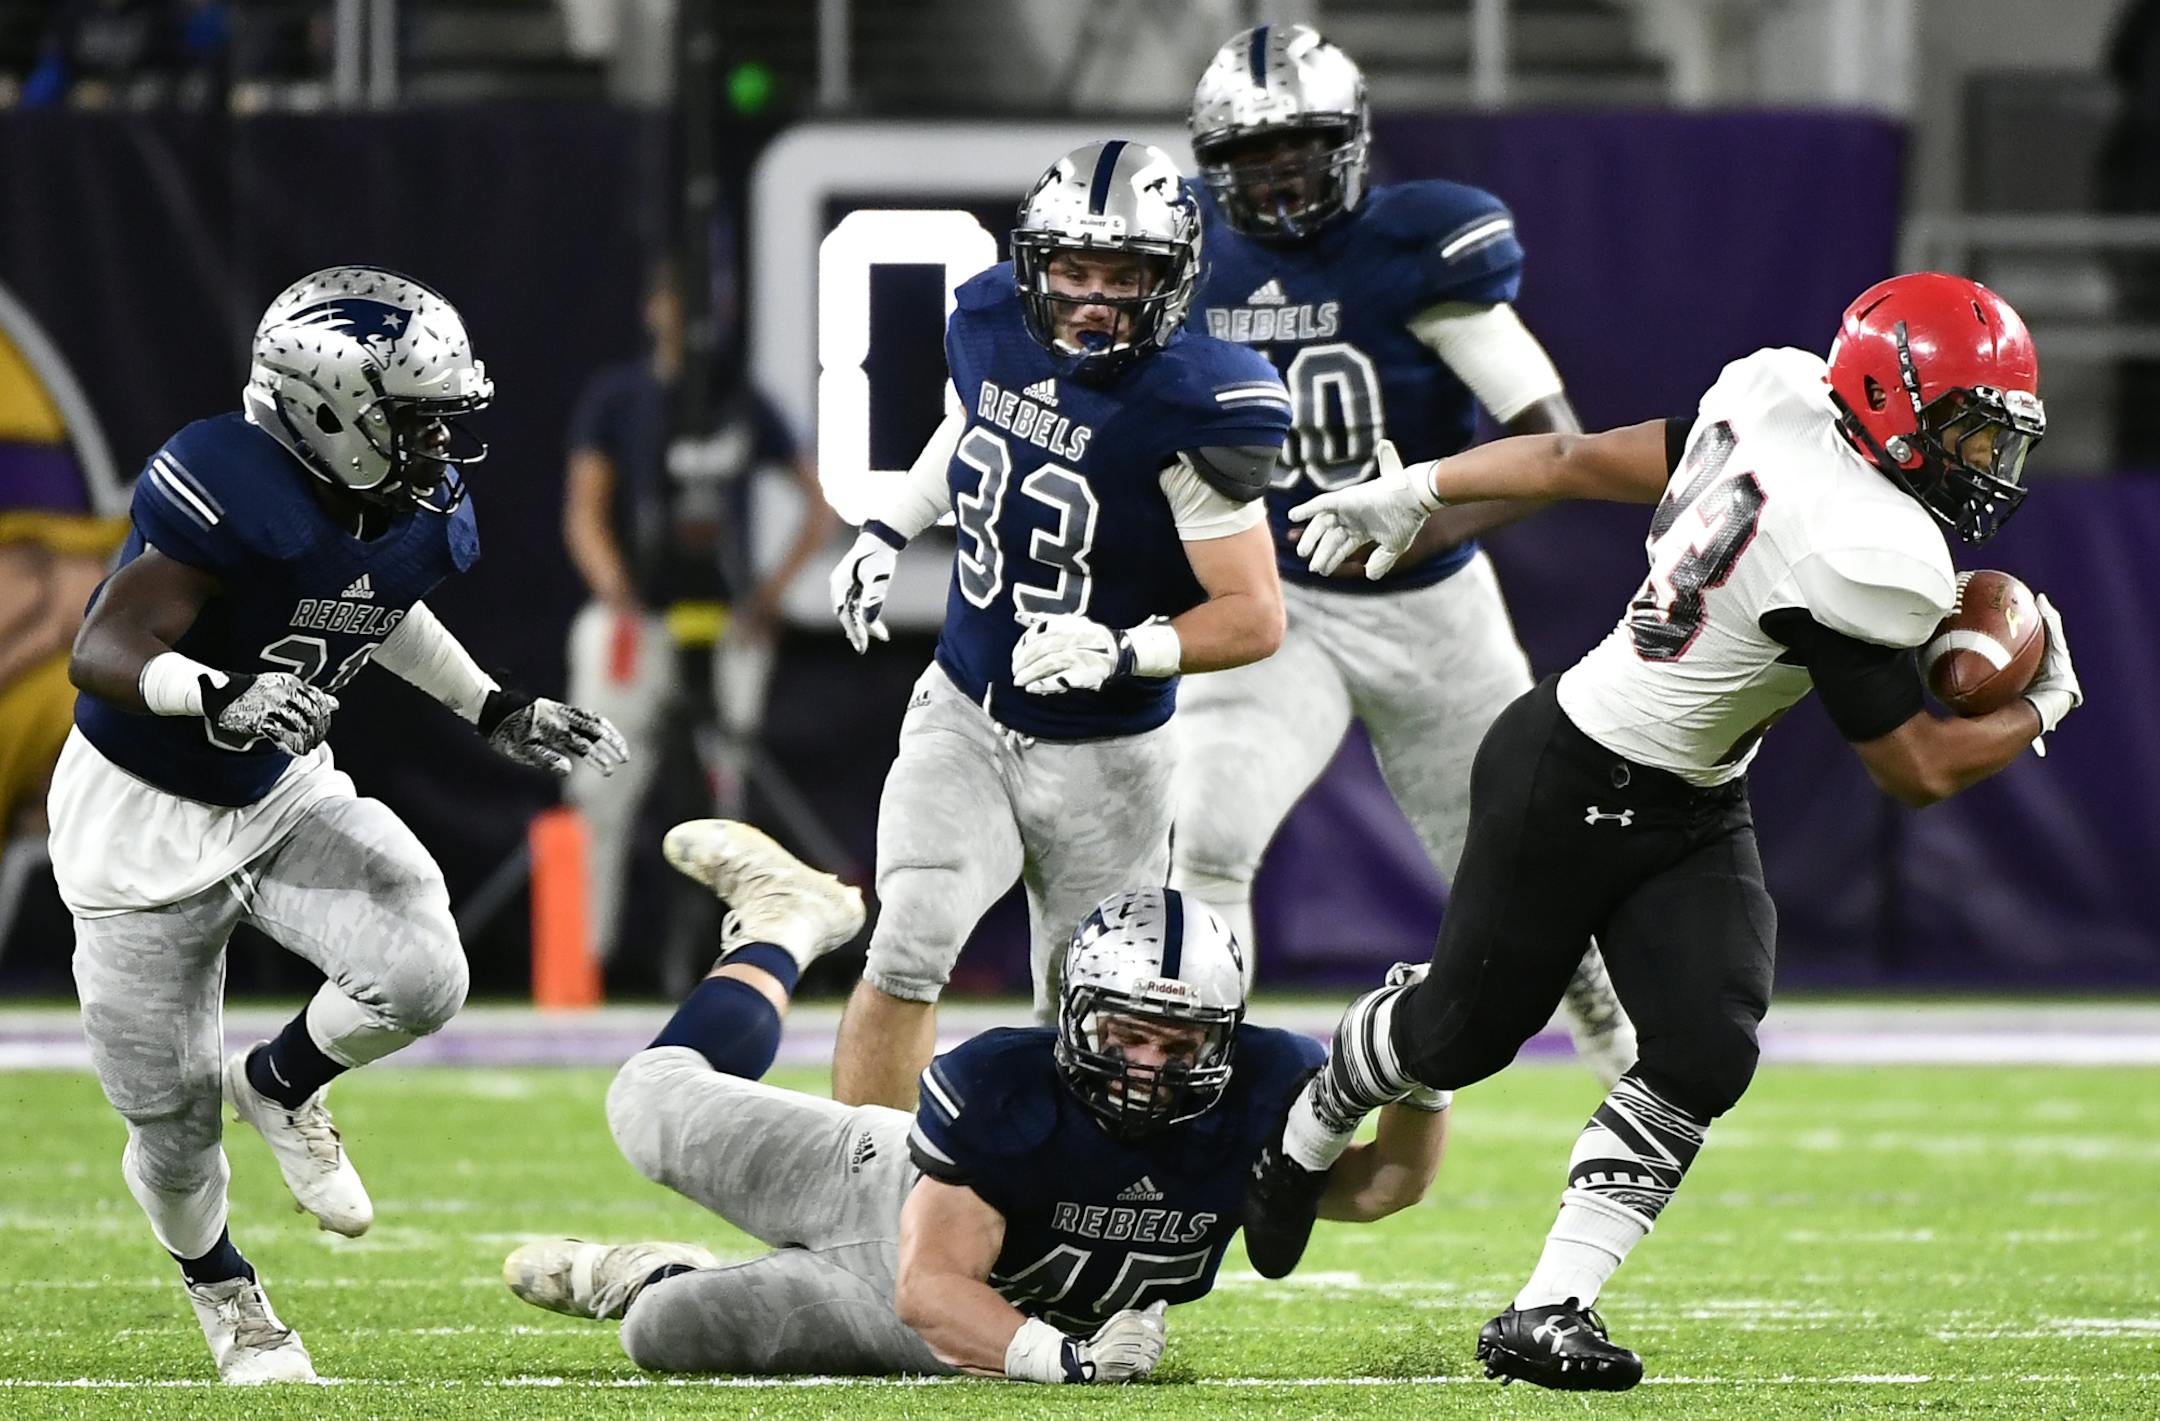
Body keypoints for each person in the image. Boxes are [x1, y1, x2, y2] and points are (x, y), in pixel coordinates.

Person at [1240, 272, 2081, 1390]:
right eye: (1967, 431)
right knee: (1459, 1035)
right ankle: (1311, 1116)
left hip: (1692, 794)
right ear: (1888, 402)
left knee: (1706, 1042)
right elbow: (1915, 769)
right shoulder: (1865, 551)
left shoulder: (1780, 394)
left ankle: (1548, 1305)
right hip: (1566, 774)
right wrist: (2042, 704)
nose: (1985, 463)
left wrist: (1421, 487)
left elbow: (1570, 459)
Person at [49, 266, 629, 1383]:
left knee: (422, 968)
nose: (438, 446)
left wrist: (492, 704)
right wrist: (219, 693)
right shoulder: (227, 475)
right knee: (170, 1125)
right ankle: (229, 1295)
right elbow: (103, 648)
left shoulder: (396, 504)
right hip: (140, 815)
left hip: (275, 787)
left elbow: (370, 601)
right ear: (328, 407)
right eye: (414, 420)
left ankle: (279, 1077)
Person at [502, 819, 1450, 1380]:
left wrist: (1425, 1068)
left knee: (659, 1335)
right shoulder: (1006, 1081)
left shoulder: (1261, 1085)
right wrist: (1064, 1364)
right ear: (1078, 1015)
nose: (1149, 1062)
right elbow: (933, 1279)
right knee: (645, 1096)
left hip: (947, 1326)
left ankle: (653, 1272)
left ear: (1225, 1037)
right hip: (881, 1195)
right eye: (1127, 1032)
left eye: (1181, 1040)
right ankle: (785, 922)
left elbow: (1380, 1185)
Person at [1173, 24, 1635, 1083]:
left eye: (1302, 147)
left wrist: (1419, 517)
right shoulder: (1190, 259)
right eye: (1253, 156)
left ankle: (1609, 1019)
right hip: (1274, 600)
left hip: (1428, 605)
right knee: (1205, 831)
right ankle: (1196, 1084)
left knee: (1518, 861)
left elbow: (1546, 439)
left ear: (1352, 143)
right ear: (1215, 168)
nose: (1280, 176)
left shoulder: (1417, 244)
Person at [823, 139, 1292, 1108]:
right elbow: (974, 426)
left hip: (1108, 755)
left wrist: (1127, 648)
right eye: (1072, 269)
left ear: (1172, 277)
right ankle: (863, 1203)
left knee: (1088, 1005)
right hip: (965, 705)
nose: (1090, 296)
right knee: (910, 935)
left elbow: (1254, 615)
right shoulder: (992, 315)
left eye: (1122, 275)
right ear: (1036, 261)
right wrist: (888, 525)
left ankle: (1047, 1226)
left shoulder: (1196, 400)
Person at [561, 256, 831, 967]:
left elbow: (820, 503)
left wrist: (770, 592)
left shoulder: (742, 401)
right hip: (639, 619)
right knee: (602, 783)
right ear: (654, 308)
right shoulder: (619, 398)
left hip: (725, 621)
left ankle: (728, 954)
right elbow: (583, 510)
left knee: (723, 791)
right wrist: (615, 586)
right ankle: (586, 957)